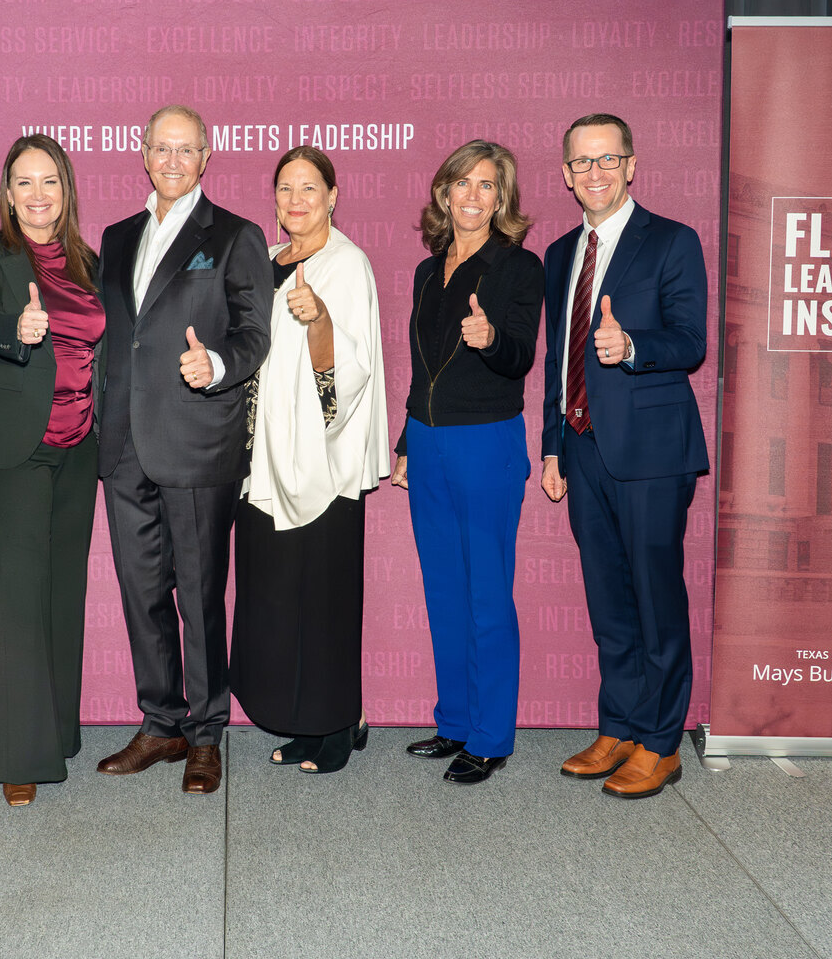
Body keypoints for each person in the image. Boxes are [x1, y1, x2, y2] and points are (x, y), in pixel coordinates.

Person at [95, 104, 273, 794]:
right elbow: (113, 336)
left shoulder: (234, 235)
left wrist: (218, 367)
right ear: (143, 154)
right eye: (160, 148)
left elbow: (255, 333)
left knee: (199, 596)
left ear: (206, 157)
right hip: (123, 445)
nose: (172, 160)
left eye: (186, 149)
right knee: (142, 593)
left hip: (198, 442)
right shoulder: (116, 237)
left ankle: (205, 733)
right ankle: (161, 723)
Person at [540, 113, 708, 799]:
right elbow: (556, 359)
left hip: (652, 453)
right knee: (609, 600)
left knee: (655, 597)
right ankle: (622, 725)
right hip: (582, 450)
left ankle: (662, 741)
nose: (596, 173)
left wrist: (632, 346)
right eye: (582, 163)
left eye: (608, 159)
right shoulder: (558, 255)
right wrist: (553, 447)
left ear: (632, 165)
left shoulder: (672, 241)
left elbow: (690, 340)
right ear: (566, 175)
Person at [0, 135, 104, 808]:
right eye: (24, 183)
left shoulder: (90, 261)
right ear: (7, 194)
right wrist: (17, 334)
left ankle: (60, 733)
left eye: (50, 182)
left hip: (81, 446)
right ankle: (23, 757)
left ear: (66, 190)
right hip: (18, 447)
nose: (38, 195)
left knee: (64, 593)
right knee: (21, 595)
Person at [389, 140, 544, 785]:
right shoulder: (430, 270)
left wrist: (492, 340)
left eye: (488, 186)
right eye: (463, 184)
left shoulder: (519, 267)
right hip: (427, 443)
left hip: (486, 442)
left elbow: (520, 359)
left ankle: (490, 734)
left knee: (486, 593)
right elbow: (423, 364)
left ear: (501, 198)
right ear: (444, 194)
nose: (474, 197)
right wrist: (404, 439)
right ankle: (453, 719)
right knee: (443, 590)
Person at [230, 147, 388, 775]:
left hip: (324, 462)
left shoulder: (350, 265)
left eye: (309, 188)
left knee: (324, 598)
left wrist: (318, 319)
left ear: (333, 195)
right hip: (264, 460)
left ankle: (336, 725)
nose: (296, 200)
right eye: (285, 189)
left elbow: (353, 371)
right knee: (276, 598)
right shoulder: (264, 262)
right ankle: (301, 719)